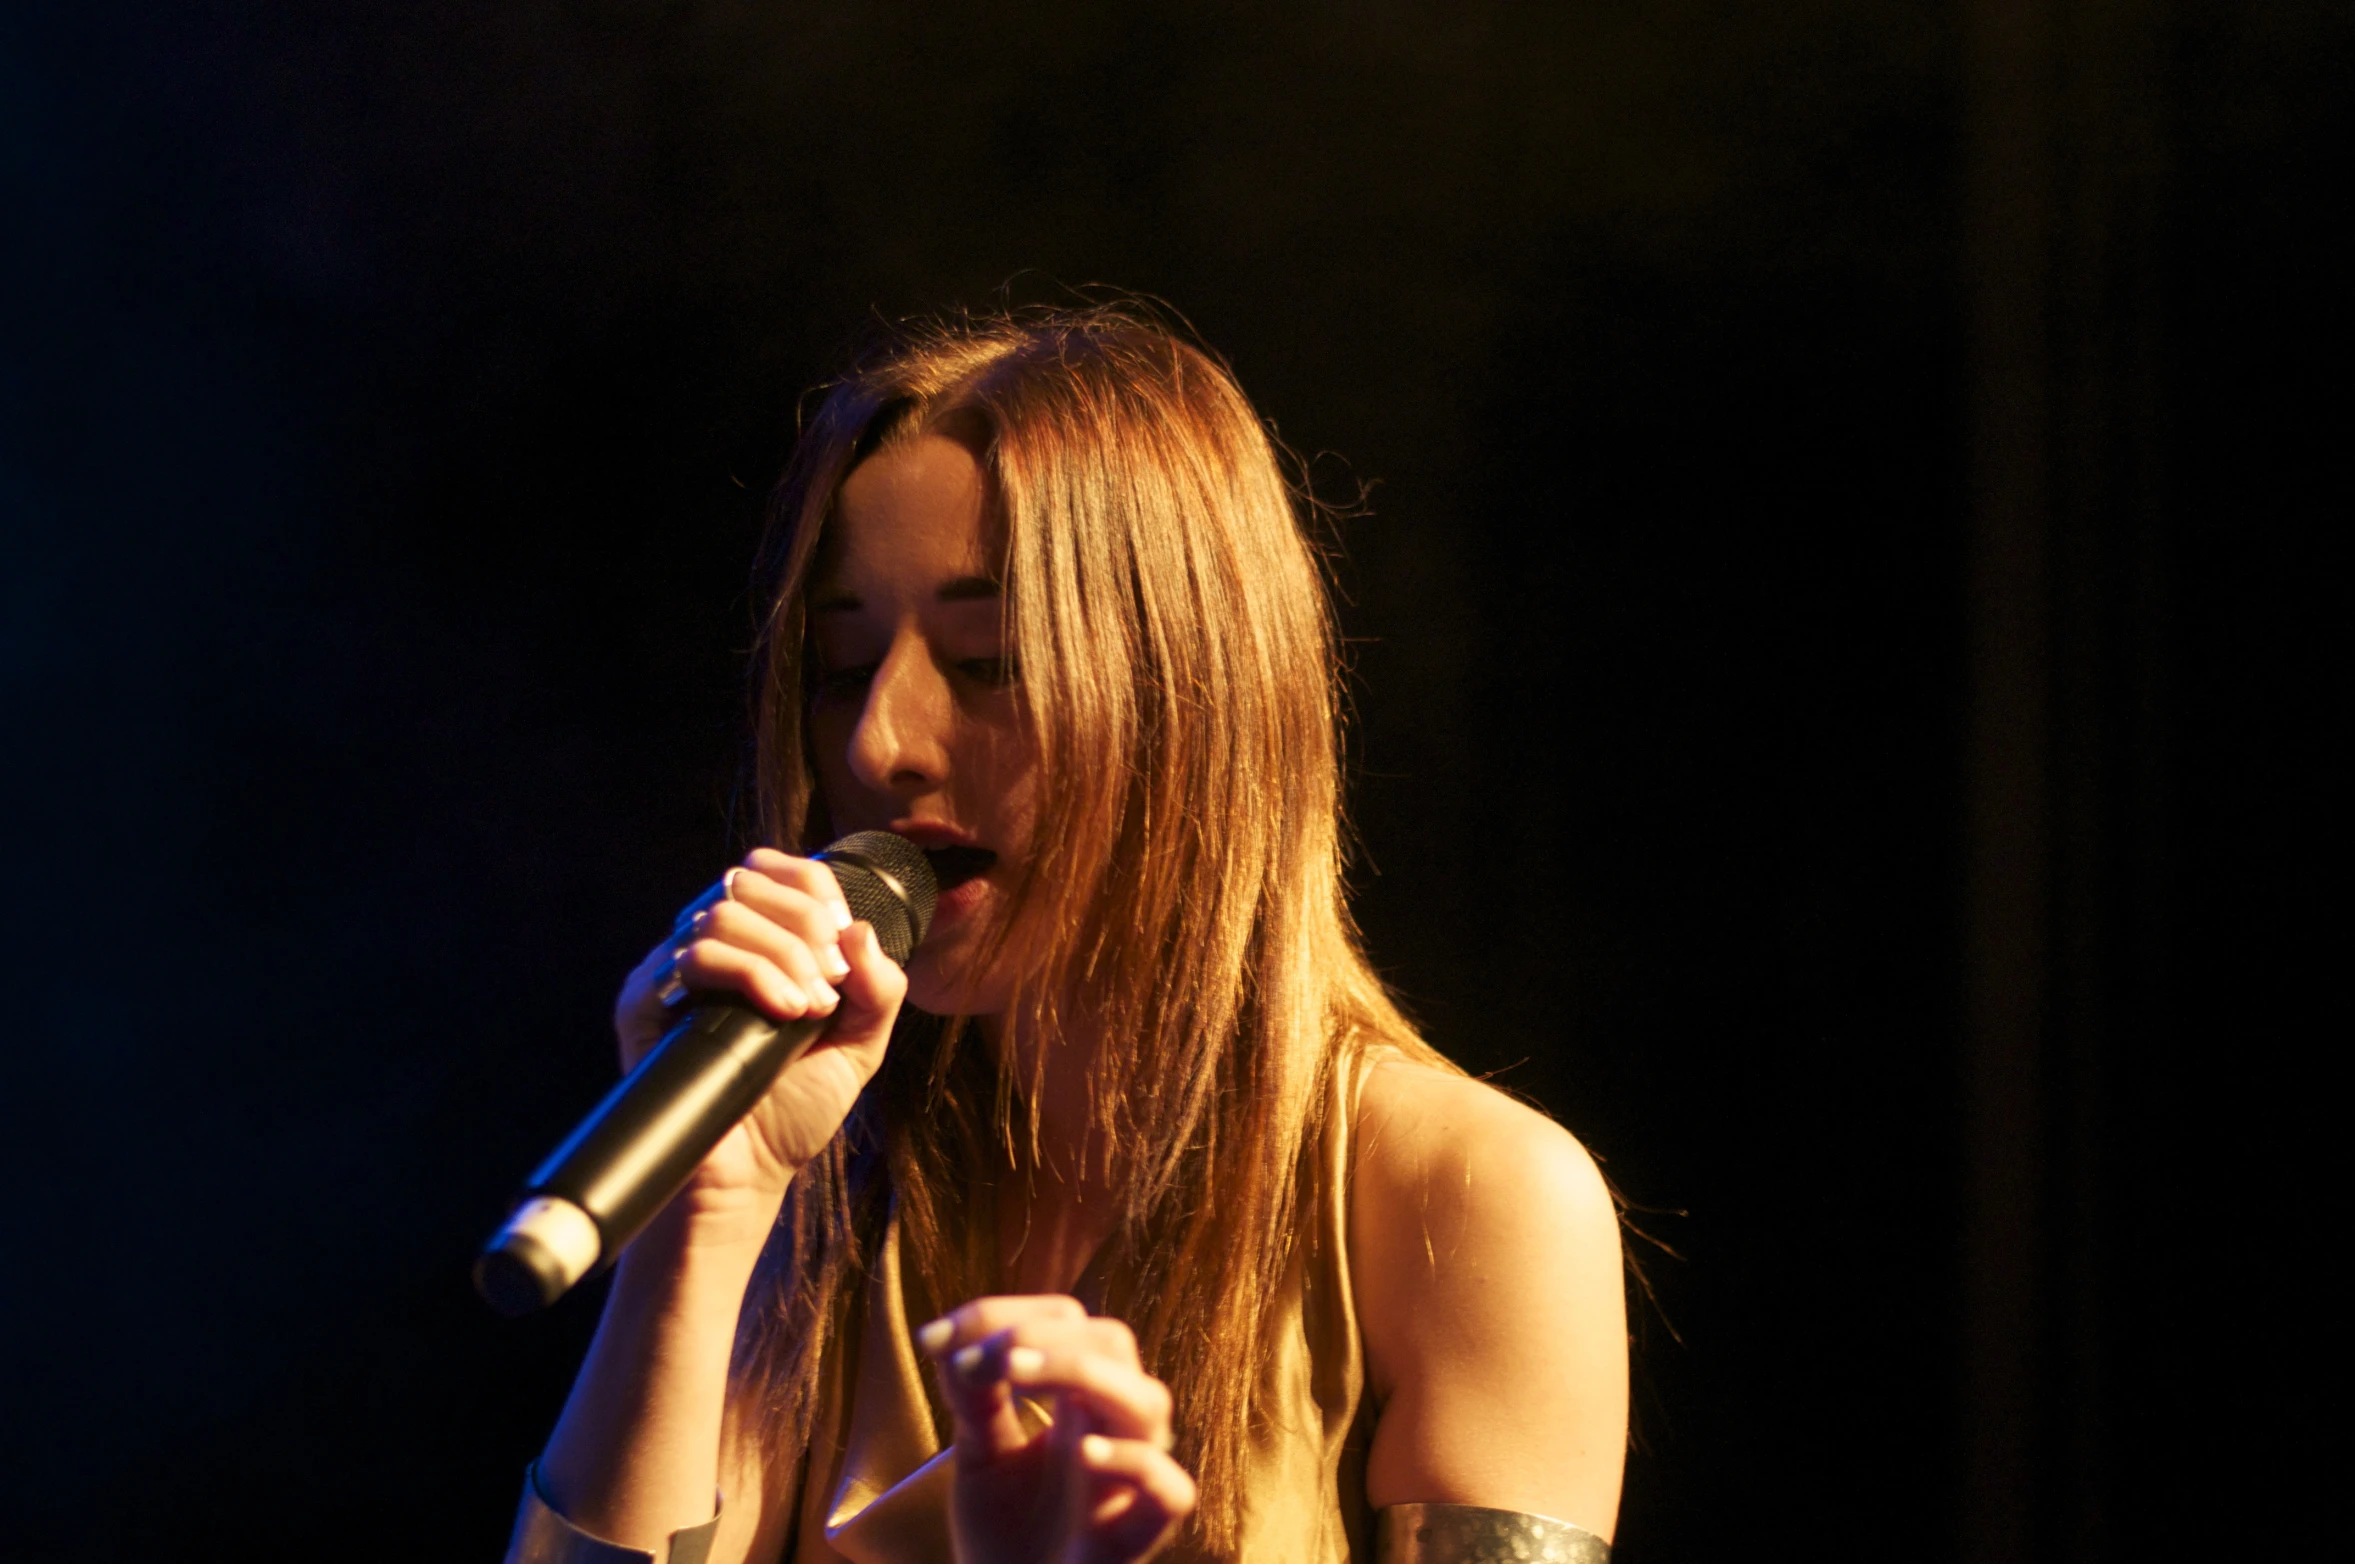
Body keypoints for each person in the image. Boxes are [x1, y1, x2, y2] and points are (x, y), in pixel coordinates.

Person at [506, 305, 1628, 1564]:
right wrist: (699, 1211)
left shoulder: (1470, 1196)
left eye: (991, 661)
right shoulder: (812, 1176)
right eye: (840, 669)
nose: (882, 743)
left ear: (1196, 697)